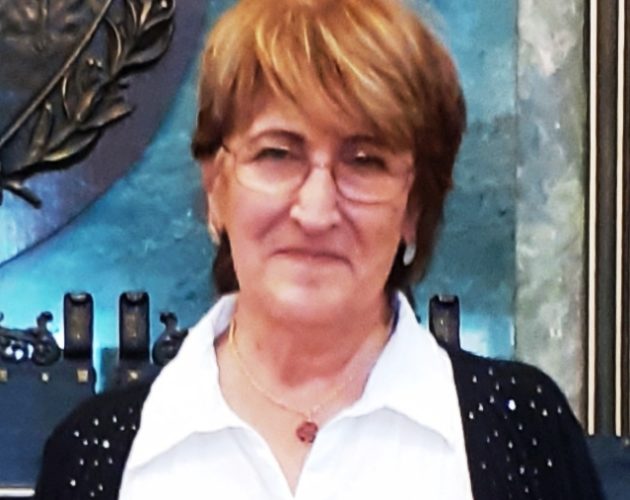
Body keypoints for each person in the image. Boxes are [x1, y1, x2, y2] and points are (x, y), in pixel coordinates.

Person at [35, 0, 604, 499]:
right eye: (277, 154)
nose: (315, 210)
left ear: (413, 207)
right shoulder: (95, 457)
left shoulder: (522, 434)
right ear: (215, 189)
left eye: (365, 161)